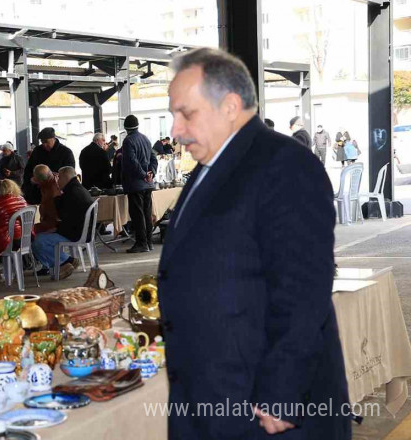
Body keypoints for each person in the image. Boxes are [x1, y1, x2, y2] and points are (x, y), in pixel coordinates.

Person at [162, 47, 348, 439]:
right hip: (210, 400)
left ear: (230, 105)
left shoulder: (284, 166)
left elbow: (303, 290)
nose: (175, 130)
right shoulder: (210, 169)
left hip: (265, 413)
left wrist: (281, 393)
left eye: (186, 113)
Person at [32, 167, 90, 280]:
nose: (57, 180)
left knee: (37, 240)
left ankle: (63, 262)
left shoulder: (71, 192)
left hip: (75, 233)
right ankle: (67, 260)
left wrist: (56, 228)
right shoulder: (77, 188)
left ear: (65, 177)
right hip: (81, 230)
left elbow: (63, 216)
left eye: (60, 177)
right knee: (39, 235)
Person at [121, 115, 155, 253]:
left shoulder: (128, 141)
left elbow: (131, 162)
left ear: (126, 128)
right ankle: (149, 242)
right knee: (147, 214)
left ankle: (141, 243)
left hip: (135, 184)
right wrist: (151, 173)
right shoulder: (146, 139)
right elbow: (153, 158)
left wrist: (142, 175)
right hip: (148, 184)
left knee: (137, 215)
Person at [22, 127, 76, 204]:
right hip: (38, 194)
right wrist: (32, 179)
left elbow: (70, 174)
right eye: (42, 142)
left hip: (58, 194)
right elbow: (28, 170)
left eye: (46, 142)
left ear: (53, 138)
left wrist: (55, 178)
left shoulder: (66, 152)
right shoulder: (37, 151)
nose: (44, 144)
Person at [31, 165, 60, 235]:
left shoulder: (53, 191)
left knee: (30, 231)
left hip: (55, 224)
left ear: (42, 181)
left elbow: (51, 215)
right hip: (51, 220)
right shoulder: (54, 176)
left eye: (37, 180)